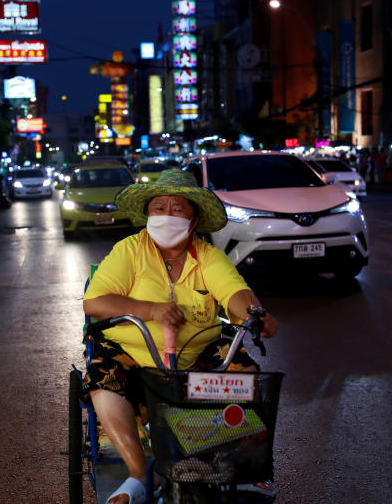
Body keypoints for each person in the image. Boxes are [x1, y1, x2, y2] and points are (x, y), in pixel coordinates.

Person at [82, 169, 279, 504]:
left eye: (178, 209)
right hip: (134, 354)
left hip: (197, 354)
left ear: (193, 218)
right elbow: (96, 302)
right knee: (103, 374)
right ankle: (138, 473)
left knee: (244, 374)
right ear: (148, 214)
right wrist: (152, 309)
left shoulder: (208, 256)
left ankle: (239, 466)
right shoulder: (128, 250)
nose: (167, 216)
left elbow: (234, 292)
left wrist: (254, 314)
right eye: (159, 208)